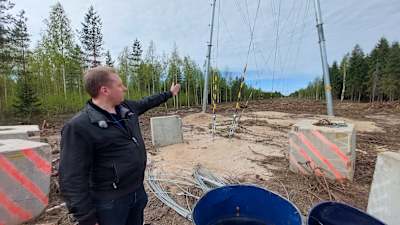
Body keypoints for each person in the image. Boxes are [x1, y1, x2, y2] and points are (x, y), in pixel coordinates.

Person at [59, 66, 180, 225]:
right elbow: (71, 178)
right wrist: (86, 218)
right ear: (105, 90)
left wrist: (169, 93)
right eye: (120, 85)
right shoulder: (79, 127)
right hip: (109, 203)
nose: (124, 88)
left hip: (137, 191)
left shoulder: (126, 109)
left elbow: (147, 102)